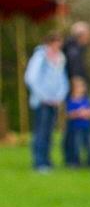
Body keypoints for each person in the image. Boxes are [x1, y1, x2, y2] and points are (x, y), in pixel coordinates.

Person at [23, 32, 68, 172]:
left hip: (54, 101)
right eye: (57, 42)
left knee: (49, 132)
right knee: (40, 132)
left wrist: (60, 96)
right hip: (42, 101)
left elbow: (62, 79)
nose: (59, 45)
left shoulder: (60, 58)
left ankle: (47, 160)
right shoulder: (40, 57)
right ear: (50, 43)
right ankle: (39, 161)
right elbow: (31, 78)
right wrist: (44, 96)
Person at [63, 75, 90, 168]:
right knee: (76, 145)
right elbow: (68, 114)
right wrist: (78, 113)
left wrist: (87, 113)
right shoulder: (71, 101)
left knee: (89, 145)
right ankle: (75, 162)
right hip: (76, 128)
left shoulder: (87, 100)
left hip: (86, 127)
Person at [64, 19, 90, 85]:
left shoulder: (77, 48)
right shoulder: (74, 52)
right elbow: (76, 77)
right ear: (82, 35)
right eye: (89, 34)